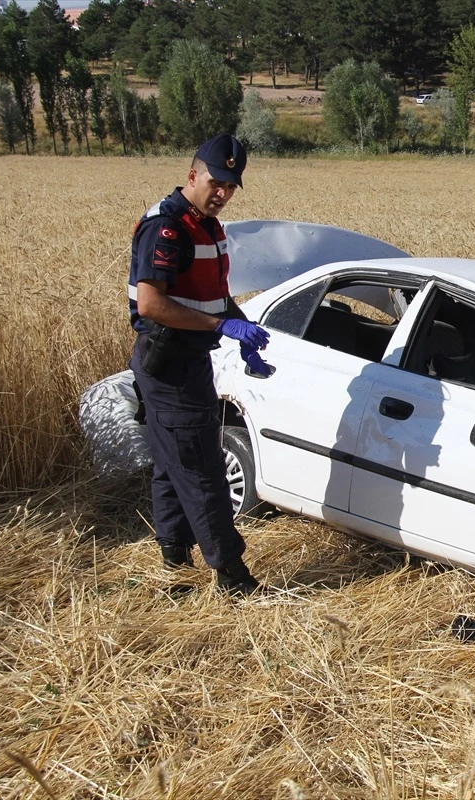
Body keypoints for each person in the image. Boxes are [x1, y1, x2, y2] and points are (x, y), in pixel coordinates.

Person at [127, 133, 272, 595]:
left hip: (187, 361)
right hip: (168, 363)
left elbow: (211, 294)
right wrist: (218, 327)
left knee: (173, 465)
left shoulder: (206, 227)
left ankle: (174, 559)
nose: (223, 194)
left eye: (231, 187)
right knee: (203, 472)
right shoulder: (166, 227)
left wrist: (242, 327)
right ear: (193, 175)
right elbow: (151, 305)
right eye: (216, 182)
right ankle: (233, 577)